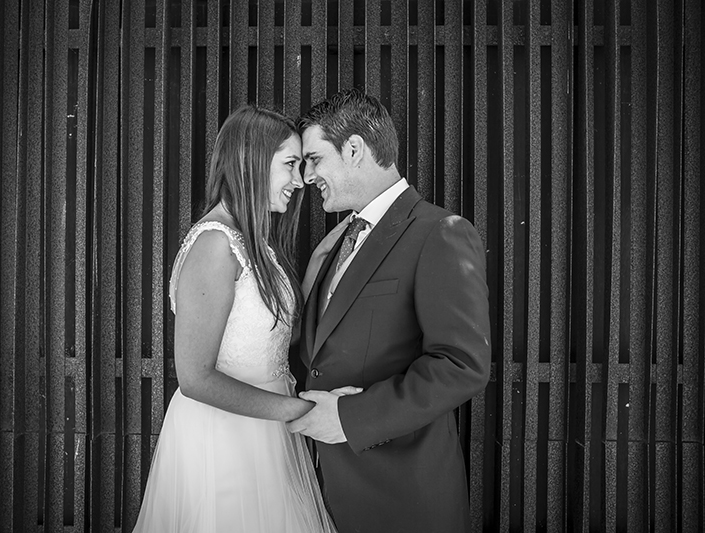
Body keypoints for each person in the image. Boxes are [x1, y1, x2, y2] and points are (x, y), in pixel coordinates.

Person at [133, 105, 349, 533]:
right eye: (290, 164)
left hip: (266, 432)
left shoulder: (255, 243)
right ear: (251, 160)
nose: (300, 180)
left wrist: (321, 262)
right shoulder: (215, 245)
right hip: (224, 438)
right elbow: (195, 378)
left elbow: (270, 340)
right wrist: (304, 410)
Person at [287, 88, 492, 532]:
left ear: (354, 149)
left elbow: (462, 365)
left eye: (315, 159)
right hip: (326, 495)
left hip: (402, 499)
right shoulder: (339, 240)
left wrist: (349, 418)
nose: (307, 176)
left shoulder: (440, 232)